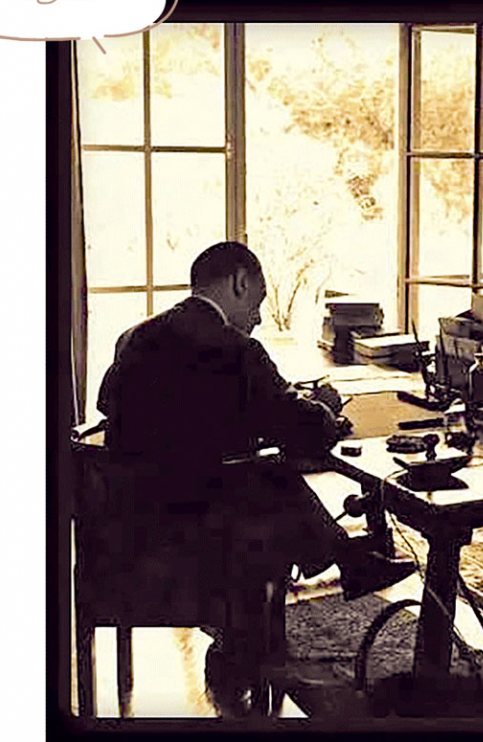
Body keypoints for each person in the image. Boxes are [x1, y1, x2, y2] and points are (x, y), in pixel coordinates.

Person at [96, 241, 415, 715]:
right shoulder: (236, 350)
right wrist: (324, 408)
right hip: (203, 532)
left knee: (261, 472)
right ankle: (336, 568)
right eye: (259, 301)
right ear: (239, 283)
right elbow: (305, 433)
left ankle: (347, 560)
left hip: (129, 526)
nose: (260, 317)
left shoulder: (135, 338)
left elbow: (111, 407)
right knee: (270, 474)